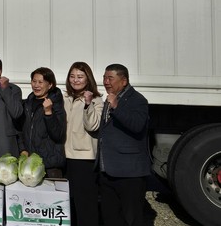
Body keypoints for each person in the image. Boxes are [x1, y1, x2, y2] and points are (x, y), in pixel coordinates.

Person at [98, 64, 150, 226]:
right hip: (108, 171)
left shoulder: (138, 100)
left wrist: (116, 106)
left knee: (132, 218)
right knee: (111, 217)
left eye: (110, 78)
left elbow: (137, 125)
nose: (106, 82)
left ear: (124, 81)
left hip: (129, 173)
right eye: (104, 78)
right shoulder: (112, 97)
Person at [63, 61, 103, 226]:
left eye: (80, 76)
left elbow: (93, 125)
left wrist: (88, 104)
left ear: (88, 79)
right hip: (65, 156)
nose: (75, 80)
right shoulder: (65, 98)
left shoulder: (96, 99)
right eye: (72, 76)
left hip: (83, 158)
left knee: (85, 203)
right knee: (69, 202)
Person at [18, 67, 66, 177]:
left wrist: (48, 112)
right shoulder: (27, 104)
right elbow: (19, 129)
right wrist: (22, 149)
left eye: (40, 82)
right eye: (34, 81)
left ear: (50, 85)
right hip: (29, 164)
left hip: (50, 166)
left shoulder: (56, 104)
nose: (36, 85)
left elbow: (59, 135)